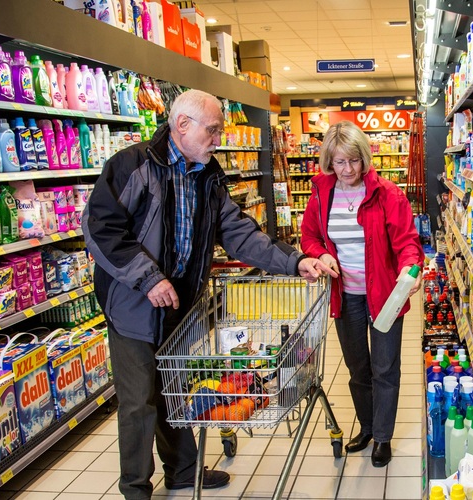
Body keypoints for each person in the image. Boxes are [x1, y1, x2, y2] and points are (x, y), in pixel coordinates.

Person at [82, 89, 337, 499]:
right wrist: (149, 278)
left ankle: (183, 471)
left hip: (180, 306)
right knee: (139, 401)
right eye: (213, 130)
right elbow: (100, 230)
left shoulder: (209, 177)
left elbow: (239, 234)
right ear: (182, 125)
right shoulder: (133, 166)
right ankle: (135, 488)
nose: (218, 138)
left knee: (176, 392)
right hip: (132, 306)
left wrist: (295, 261)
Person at [300, 120, 424, 467]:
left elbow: (407, 243)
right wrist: (321, 253)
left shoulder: (388, 194)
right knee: (357, 367)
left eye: (354, 160)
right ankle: (367, 426)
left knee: (385, 368)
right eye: (340, 162)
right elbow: (308, 236)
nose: (348, 169)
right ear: (329, 161)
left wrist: (409, 268)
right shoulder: (322, 194)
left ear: (365, 158)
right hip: (346, 296)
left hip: (385, 296)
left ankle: (383, 437)